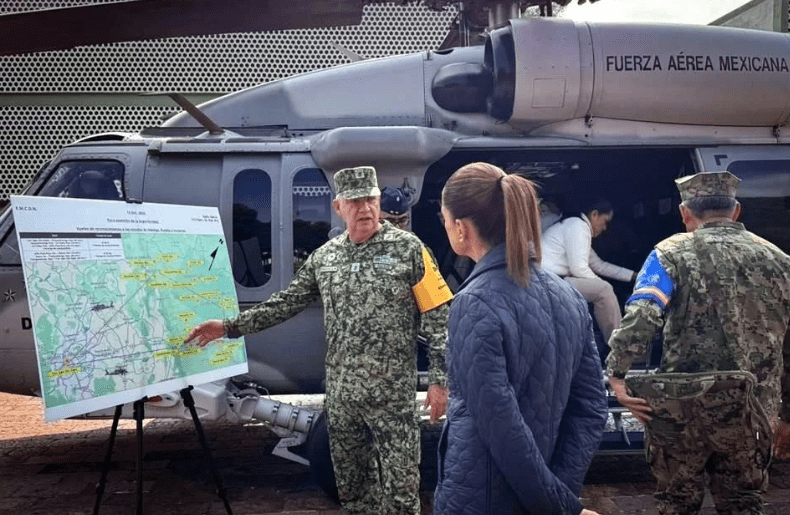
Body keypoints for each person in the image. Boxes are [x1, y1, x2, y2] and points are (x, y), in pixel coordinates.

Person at [185, 166, 453, 515]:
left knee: (401, 492)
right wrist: (229, 327)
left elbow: (437, 314)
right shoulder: (326, 258)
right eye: (355, 202)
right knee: (352, 491)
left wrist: (439, 380)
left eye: (370, 199)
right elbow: (285, 303)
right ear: (339, 207)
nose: (366, 209)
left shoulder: (410, 249)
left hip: (392, 399)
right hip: (342, 399)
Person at [606, 171, 790, 515]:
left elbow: (644, 315)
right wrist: (786, 416)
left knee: (677, 503)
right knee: (743, 503)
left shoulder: (669, 253)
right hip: (750, 412)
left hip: (683, 411)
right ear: (737, 211)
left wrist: (617, 375)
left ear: (684, 213)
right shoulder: (780, 261)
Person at [433, 162, 606, 515]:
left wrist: (558, 507)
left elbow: (502, 429)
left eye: (444, 219)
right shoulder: (570, 296)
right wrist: (561, 488)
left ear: (461, 229)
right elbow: (590, 407)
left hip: (480, 501)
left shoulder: (473, 302)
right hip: (544, 495)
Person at [541, 197, 636, 343]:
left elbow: (598, 265)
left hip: (551, 279)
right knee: (604, 290)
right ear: (594, 215)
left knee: (603, 288)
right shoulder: (578, 226)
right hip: (550, 281)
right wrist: (603, 286)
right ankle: (619, 348)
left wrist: (632, 275)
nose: (605, 228)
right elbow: (579, 269)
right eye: (605, 222)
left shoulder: (574, 226)